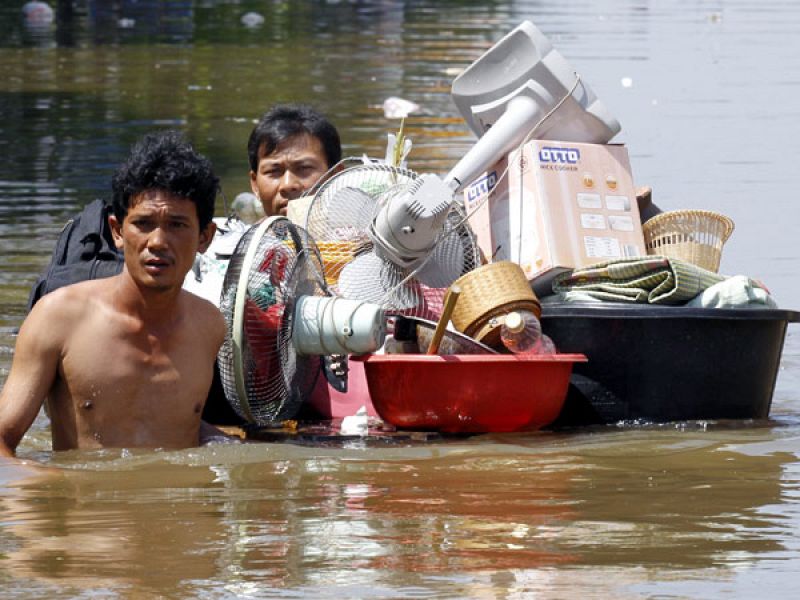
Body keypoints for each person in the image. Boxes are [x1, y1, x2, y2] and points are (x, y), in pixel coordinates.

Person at [0, 131, 226, 456]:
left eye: (177, 225)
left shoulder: (209, 325)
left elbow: (178, 421)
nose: (158, 242)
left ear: (205, 237)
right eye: (144, 223)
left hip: (178, 506)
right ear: (118, 231)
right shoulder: (58, 319)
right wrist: (38, 496)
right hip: (90, 505)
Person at [247, 103, 342, 217]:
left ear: (335, 176)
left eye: (304, 168)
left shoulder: (361, 231)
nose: (287, 185)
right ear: (255, 185)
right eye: (273, 171)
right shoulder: (239, 234)